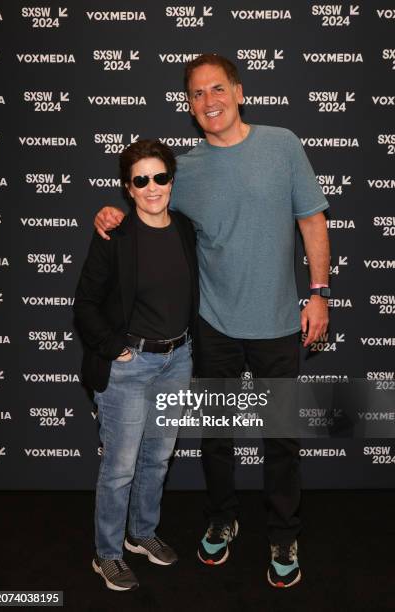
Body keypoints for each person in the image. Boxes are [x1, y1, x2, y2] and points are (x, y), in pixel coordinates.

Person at [94, 54, 330, 588]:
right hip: (213, 326)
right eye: (198, 95)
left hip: (277, 324)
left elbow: (312, 219)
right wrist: (109, 213)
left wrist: (319, 293)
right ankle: (222, 519)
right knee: (216, 437)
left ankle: (282, 533)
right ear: (190, 106)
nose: (209, 101)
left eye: (217, 89)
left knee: (281, 439)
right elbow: (146, 210)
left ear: (239, 92)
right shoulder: (186, 169)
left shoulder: (283, 144)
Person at [74, 140, 199, 591]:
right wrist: (114, 348)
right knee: (121, 466)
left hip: (178, 359)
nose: (152, 188)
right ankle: (106, 554)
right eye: (140, 180)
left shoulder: (185, 228)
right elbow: (85, 303)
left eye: (160, 177)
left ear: (171, 180)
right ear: (128, 189)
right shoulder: (115, 235)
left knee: (158, 458)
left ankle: (142, 533)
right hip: (129, 366)